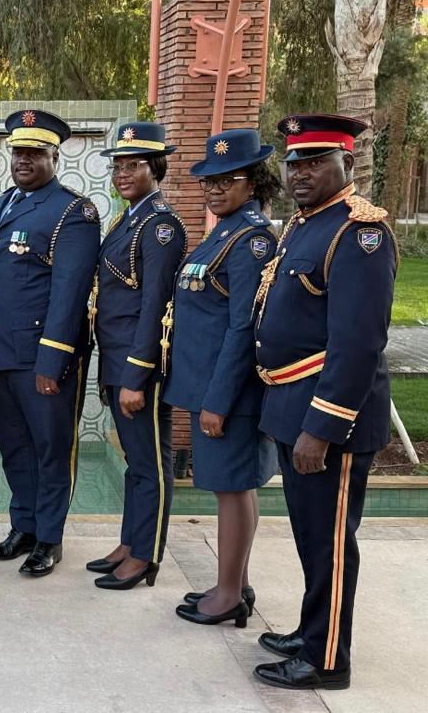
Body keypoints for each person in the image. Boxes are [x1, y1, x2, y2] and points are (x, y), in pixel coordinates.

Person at [252, 114, 396, 692]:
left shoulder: (360, 234)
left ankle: (328, 659)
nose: (301, 174)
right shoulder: (307, 225)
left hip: (327, 418)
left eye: (315, 162)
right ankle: (315, 631)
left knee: (330, 542)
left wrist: (322, 428)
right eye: (294, 163)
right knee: (312, 537)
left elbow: (358, 344)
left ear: (348, 163)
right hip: (293, 405)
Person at [0, 109, 101, 577]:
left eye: (34, 152)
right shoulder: (0, 205)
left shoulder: (73, 212)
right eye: (18, 152)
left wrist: (53, 359)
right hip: (0, 351)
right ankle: (23, 527)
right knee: (15, 446)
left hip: (41, 357)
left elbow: (70, 292)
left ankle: (49, 538)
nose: (23, 160)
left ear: (54, 157)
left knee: (50, 448)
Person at [164, 129, 280, 627]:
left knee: (233, 490)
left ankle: (231, 593)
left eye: (227, 180)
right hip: (207, 384)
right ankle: (235, 583)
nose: (214, 189)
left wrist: (218, 400)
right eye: (209, 181)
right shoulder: (226, 232)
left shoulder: (251, 241)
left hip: (227, 393)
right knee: (232, 489)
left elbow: (242, 328)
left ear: (252, 182)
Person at [90, 122, 186, 590]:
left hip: (137, 365)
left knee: (150, 466)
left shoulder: (160, 226)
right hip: (117, 359)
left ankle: (146, 556)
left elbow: (154, 305)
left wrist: (136, 375)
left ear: (157, 168)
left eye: (134, 165)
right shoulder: (130, 218)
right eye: (118, 166)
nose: (123, 174)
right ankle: (129, 542)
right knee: (135, 461)